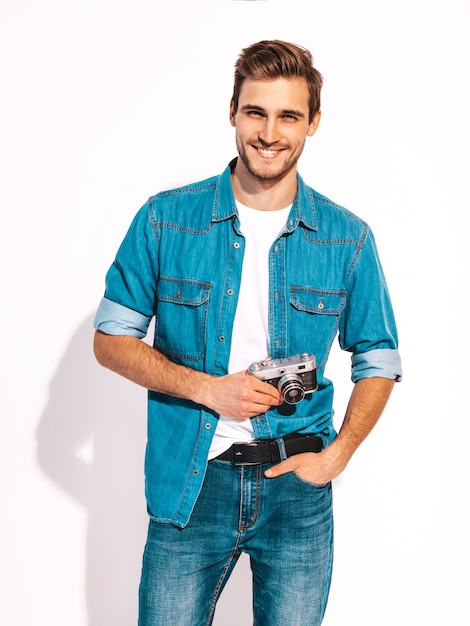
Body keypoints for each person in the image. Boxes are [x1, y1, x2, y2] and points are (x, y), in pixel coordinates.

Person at [93, 40, 402, 626]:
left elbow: (379, 358)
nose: (269, 132)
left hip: (297, 492)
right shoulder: (165, 219)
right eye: (256, 112)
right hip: (192, 481)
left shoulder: (346, 237)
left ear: (313, 122)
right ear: (232, 110)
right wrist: (208, 389)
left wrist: (339, 454)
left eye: (288, 115)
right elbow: (110, 339)